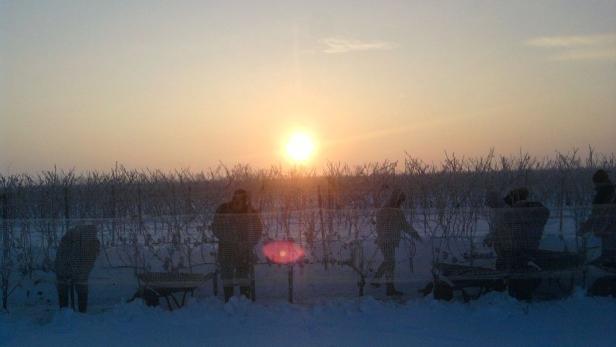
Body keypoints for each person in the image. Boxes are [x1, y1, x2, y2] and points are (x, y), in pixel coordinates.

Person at [485, 188, 550, 300]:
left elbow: (503, 235)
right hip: (530, 249)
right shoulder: (536, 213)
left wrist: (493, 240)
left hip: (510, 252)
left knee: (504, 262)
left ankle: (505, 288)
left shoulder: (511, 216)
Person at [212, 189, 263, 302]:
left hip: (244, 251)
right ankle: (229, 301)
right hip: (226, 249)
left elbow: (258, 230)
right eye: (236, 197)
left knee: (244, 275)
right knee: (227, 276)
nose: (237, 200)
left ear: (245, 199)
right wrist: (228, 239)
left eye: (241, 197)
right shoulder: (223, 209)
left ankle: (245, 301)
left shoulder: (251, 212)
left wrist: (248, 243)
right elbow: (215, 227)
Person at [371, 189, 421, 296]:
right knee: (390, 262)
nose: (401, 203)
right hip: (386, 241)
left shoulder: (393, 211)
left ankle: (386, 286)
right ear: (396, 199)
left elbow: (404, 225)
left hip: (389, 240)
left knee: (390, 263)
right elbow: (382, 225)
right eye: (400, 201)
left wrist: (415, 234)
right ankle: (379, 282)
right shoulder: (387, 210)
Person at [55, 225, 100, 313]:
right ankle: (79, 312)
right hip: (68, 268)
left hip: (65, 267)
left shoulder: (71, 236)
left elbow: (63, 255)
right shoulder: (91, 242)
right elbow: (89, 259)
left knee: (65, 287)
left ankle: (65, 311)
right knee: (80, 287)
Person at [579, 169, 616, 263]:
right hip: (609, 229)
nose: (595, 186)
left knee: (609, 254)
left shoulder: (603, 194)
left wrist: (585, 227)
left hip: (608, 229)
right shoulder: (611, 191)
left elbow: (596, 214)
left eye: (595, 183)